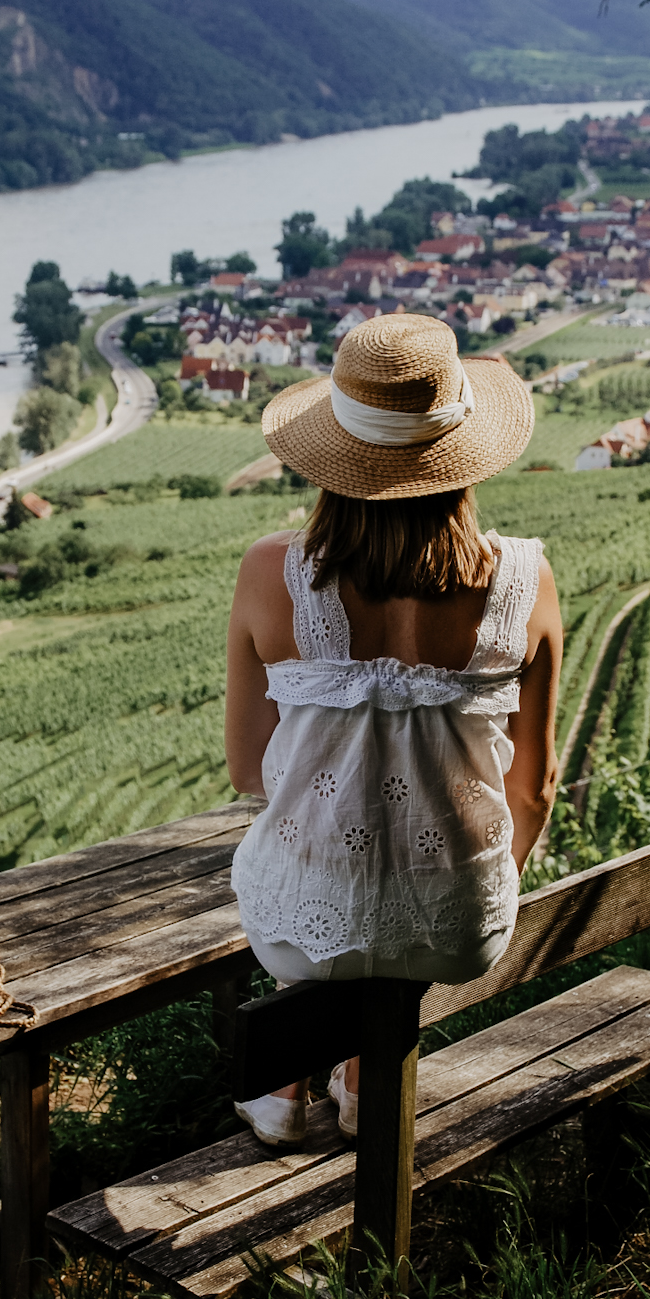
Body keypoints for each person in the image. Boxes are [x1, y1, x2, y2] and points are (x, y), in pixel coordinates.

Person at [224, 312, 563, 1148]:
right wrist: (483, 885)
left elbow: (246, 769)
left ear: (333, 455)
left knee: (303, 867)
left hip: (300, 931)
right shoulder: (524, 578)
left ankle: (286, 1085)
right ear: (464, 452)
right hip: (457, 927)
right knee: (401, 911)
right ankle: (364, 1076)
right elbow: (536, 786)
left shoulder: (274, 572)